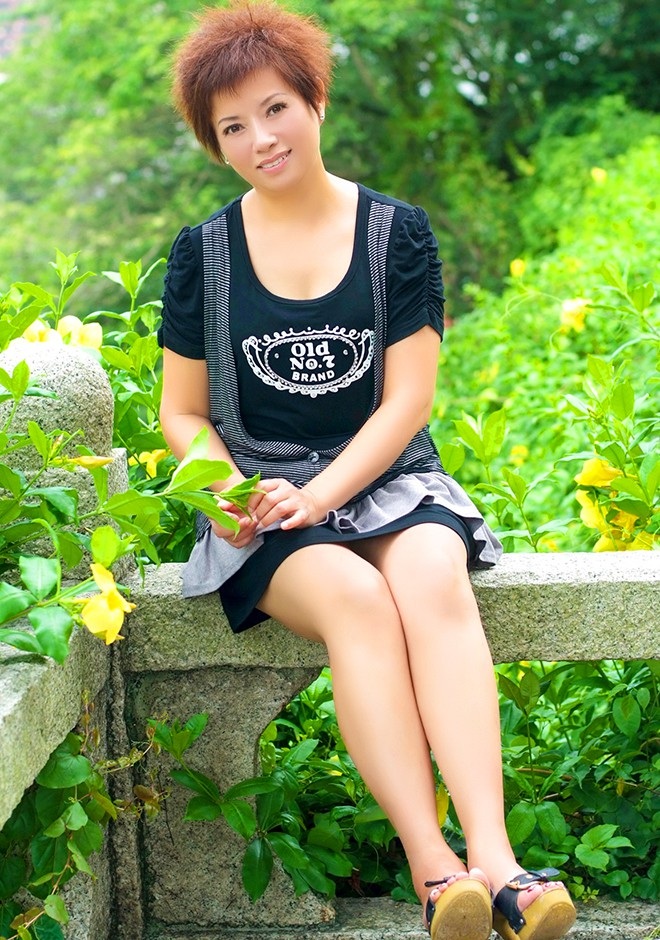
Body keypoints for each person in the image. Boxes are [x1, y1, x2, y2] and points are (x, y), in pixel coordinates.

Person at [158, 3, 577, 938]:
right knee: (353, 598)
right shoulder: (202, 255)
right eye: (233, 126)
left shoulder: (398, 234)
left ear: (315, 100)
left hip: (386, 479)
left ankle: (498, 861)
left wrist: (325, 493)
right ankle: (437, 874)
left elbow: (408, 400)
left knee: (431, 574)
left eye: (275, 108)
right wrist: (230, 495)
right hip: (265, 502)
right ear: (215, 143)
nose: (261, 139)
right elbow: (182, 412)